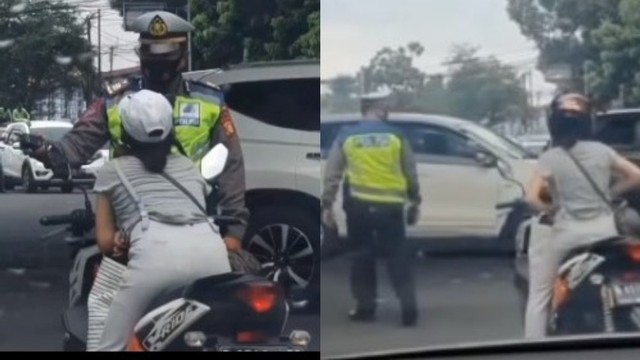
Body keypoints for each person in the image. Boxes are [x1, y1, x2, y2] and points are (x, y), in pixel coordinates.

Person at [27, 10, 249, 253]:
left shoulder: (209, 100)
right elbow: (76, 146)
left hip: (194, 220)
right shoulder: (115, 101)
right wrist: (48, 152)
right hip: (129, 227)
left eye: (166, 54)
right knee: (102, 283)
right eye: (151, 52)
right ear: (141, 55)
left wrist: (234, 233)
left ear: (183, 57)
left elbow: (232, 165)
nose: (158, 61)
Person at [92, 89, 232, 351]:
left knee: (108, 346)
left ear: (124, 130)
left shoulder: (112, 170)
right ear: (170, 130)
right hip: (214, 257)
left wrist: (120, 240)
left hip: (155, 261)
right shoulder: (188, 166)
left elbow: (104, 242)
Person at [523, 92, 640, 338]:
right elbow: (636, 176)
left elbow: (532, 198)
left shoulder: (550, 158)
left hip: (568, 236)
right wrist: (610, 193)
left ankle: (532, 346)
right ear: (588, 122)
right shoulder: (602, 151)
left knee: (540, 295)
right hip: (607, 232)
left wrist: (551, 210)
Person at [321, 89, 421, 327]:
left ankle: (366, 308)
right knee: (397, 256)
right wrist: (415, 200)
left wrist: (327, 205)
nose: (387, 110)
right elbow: (410, 172)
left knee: (362, 257)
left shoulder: (347, 136)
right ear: (375, 108)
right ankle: (409, 310)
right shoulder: (397, 136)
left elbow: (332, 173)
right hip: (391, 208)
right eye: (384, 106)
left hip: (359, 207)